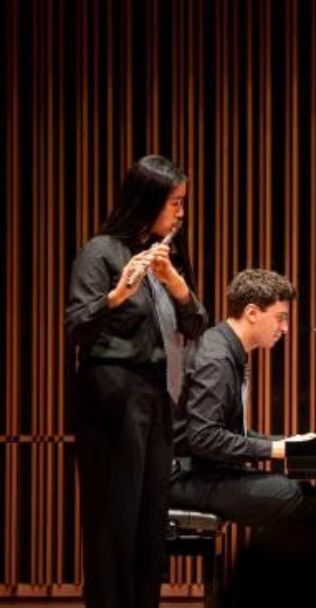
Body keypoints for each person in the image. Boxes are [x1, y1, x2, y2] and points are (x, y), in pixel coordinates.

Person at [65, 155, 207, 608]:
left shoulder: (167, 258)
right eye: (176, 203)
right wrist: (116, 295)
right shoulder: (100, 251)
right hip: (111, 395)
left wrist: (177, 284)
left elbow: (196, 324)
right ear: (147, 202)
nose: (181, 213)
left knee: (149, 526)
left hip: (156, 397)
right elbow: (76, 326)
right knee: (114, 522)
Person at [170, 269, 316, 529]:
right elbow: (204, 438)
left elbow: (229, 433)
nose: (285, 328)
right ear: (252, 313)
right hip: (183, 477)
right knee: (303, 502)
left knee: (307, 497)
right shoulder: (216, 359)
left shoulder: (225, 350)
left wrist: (285, 442)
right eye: (281, 318)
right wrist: (277, 449)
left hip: (202, 470)